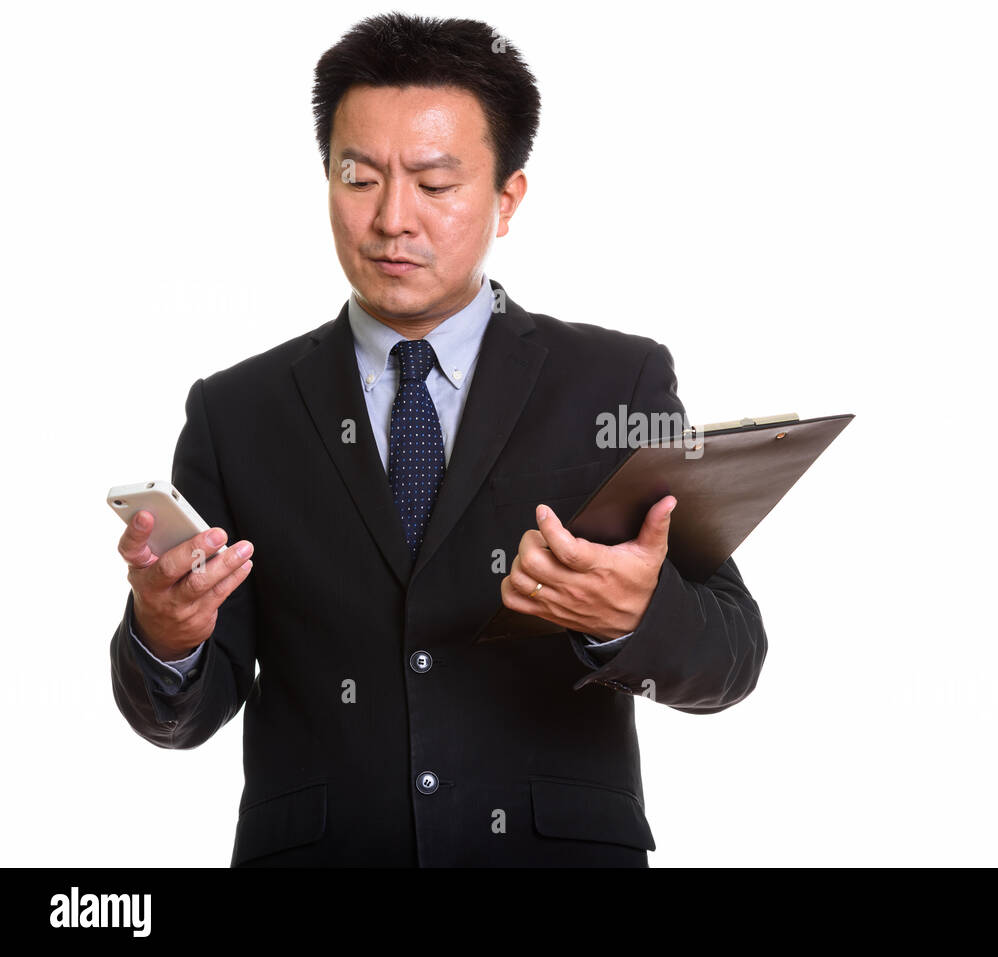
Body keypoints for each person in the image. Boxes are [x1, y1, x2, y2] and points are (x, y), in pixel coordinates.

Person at [109, 13, 766, 867]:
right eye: (359, 176)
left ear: (507, 198)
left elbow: (732, 654)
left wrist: (630, 618)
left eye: (434, 182)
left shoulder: (619, 384)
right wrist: (168, 636)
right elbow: (181, 716)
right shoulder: (237, 412)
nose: (391, 219)